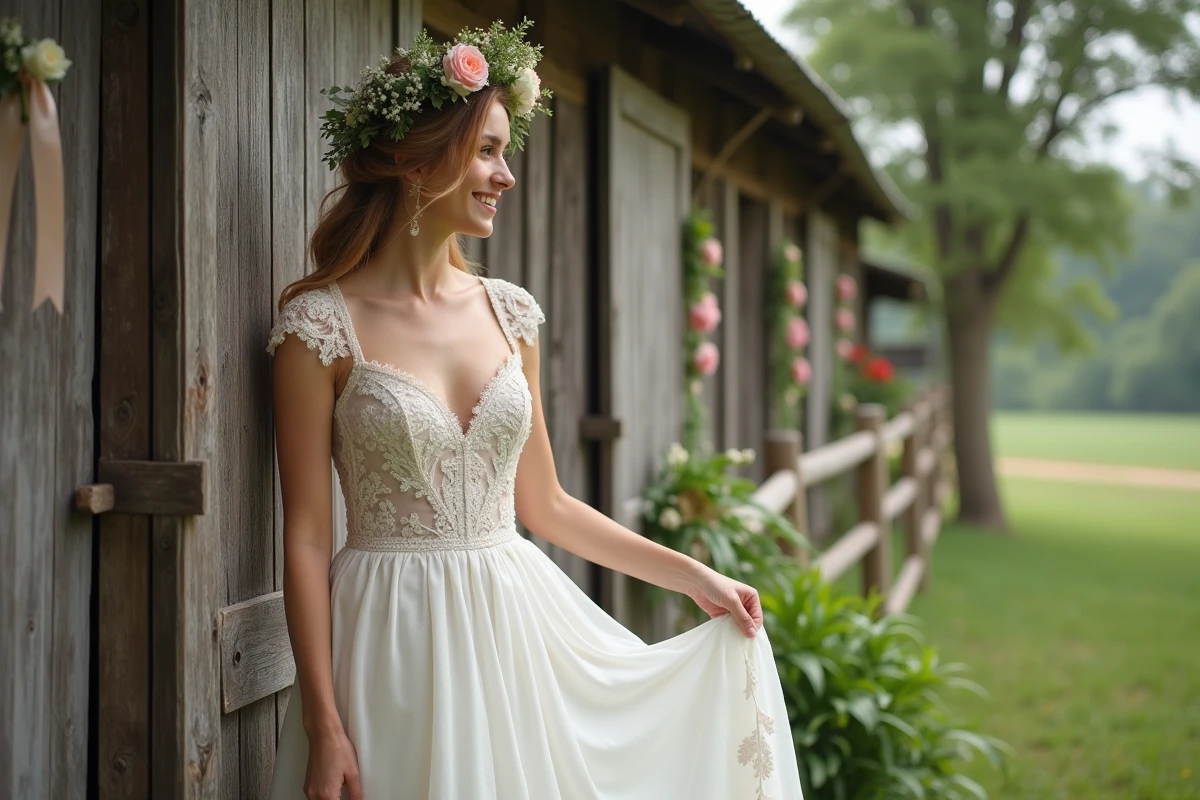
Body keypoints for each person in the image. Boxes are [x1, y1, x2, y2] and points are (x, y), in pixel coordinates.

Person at [266, 20, 803, 800]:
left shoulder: (509, 314)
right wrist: (324, 723)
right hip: (388, 638)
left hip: (514, 630)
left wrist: (695, 578)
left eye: (503, 151)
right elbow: (308, 537)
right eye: (487, 150)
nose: (505, 175)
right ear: (419, 159)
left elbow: (544, 504)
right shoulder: (318, 327)